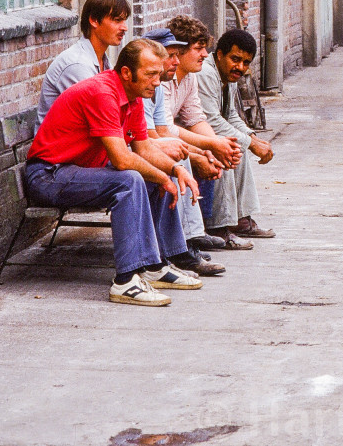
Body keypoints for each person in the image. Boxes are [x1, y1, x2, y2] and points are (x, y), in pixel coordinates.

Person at [25, 38, 204, 306]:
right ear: (126, 73)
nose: (158, 81)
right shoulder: (103, 93)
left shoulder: (133, 96)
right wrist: (163, 176)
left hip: (78, 170)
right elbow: (122, 159)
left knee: (151, 176)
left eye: (159, 73)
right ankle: (126, 281)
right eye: (150, 74)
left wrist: (176, 170)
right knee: (130, 179)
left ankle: (155, 266)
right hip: (49, 175)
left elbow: (143, 150)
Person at [142, 27, 226, 278]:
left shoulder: (157, 84)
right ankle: (180, 248)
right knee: (179, 156)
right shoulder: (146, 82)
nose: (175, 61)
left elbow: (159, 131)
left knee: (193, 151)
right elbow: (144, 138)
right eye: (170, 55)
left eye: (178, 54)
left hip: (140, 143)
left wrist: (212, 147)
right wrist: (196, 152)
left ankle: (193, 238)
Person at [198, 29, 275, 248]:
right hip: (192, 133)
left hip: (207, 130)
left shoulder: (228, 78)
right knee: (226, 148)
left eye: (246, 63)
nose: (240, 67)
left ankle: (240, 219)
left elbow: (230, 115)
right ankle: (219, 227)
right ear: (219, 54)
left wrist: (253, 138)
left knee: (238, 144)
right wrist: (250, 143)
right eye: (235, 59)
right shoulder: (206, 72)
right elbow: (212, 120)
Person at [37, 0, 130, 125]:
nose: (125, 27)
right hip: (62, 145)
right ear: (94, 20)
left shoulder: (102, 60)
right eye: (117, 20)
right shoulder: (77, 64)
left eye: (125, 21)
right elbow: (101, 114)